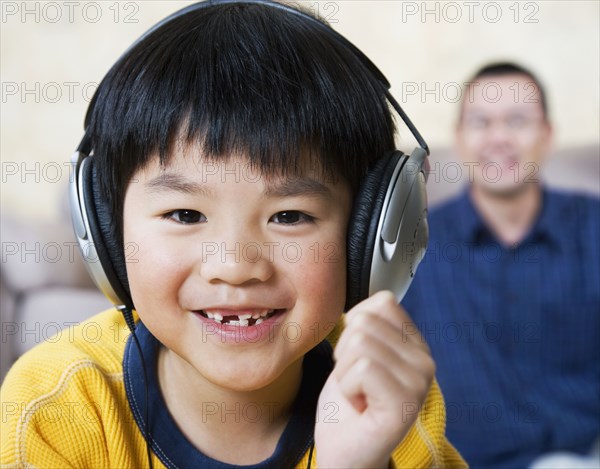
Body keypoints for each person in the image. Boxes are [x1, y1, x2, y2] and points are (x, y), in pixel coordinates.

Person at [0, 2, 466, 468]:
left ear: (370, 238)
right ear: (105, 232)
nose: (235, 266)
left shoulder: (386, 400)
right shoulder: (54, 406)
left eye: (289, 216)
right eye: (185, 214)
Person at [402, 62, 600, 468]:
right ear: (458, 139)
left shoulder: (593, 227)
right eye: (481, 122)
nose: (499, 138)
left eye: (517, 121)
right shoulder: (415, 245)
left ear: (547, 136)